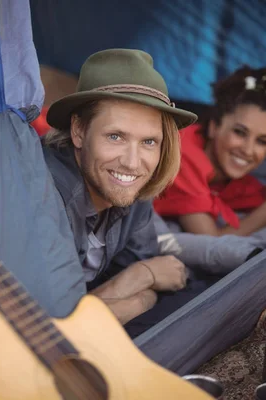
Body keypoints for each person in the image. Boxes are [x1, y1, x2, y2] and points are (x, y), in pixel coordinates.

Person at [42, 48, 203, 326]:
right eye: (115, 136)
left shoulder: (131, 187)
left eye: (148, 142)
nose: (132, 162)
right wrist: (142, 278)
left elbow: (155, 285)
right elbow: (53, 327)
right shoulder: (45, 195)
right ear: (79, 130)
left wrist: (140, 290)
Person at [154, 66, 266, 238]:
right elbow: (210, 240)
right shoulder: (183, 153)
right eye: (239, 132)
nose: (248, 150)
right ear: (214, 127)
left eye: (262, 141)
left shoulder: (232, 178)